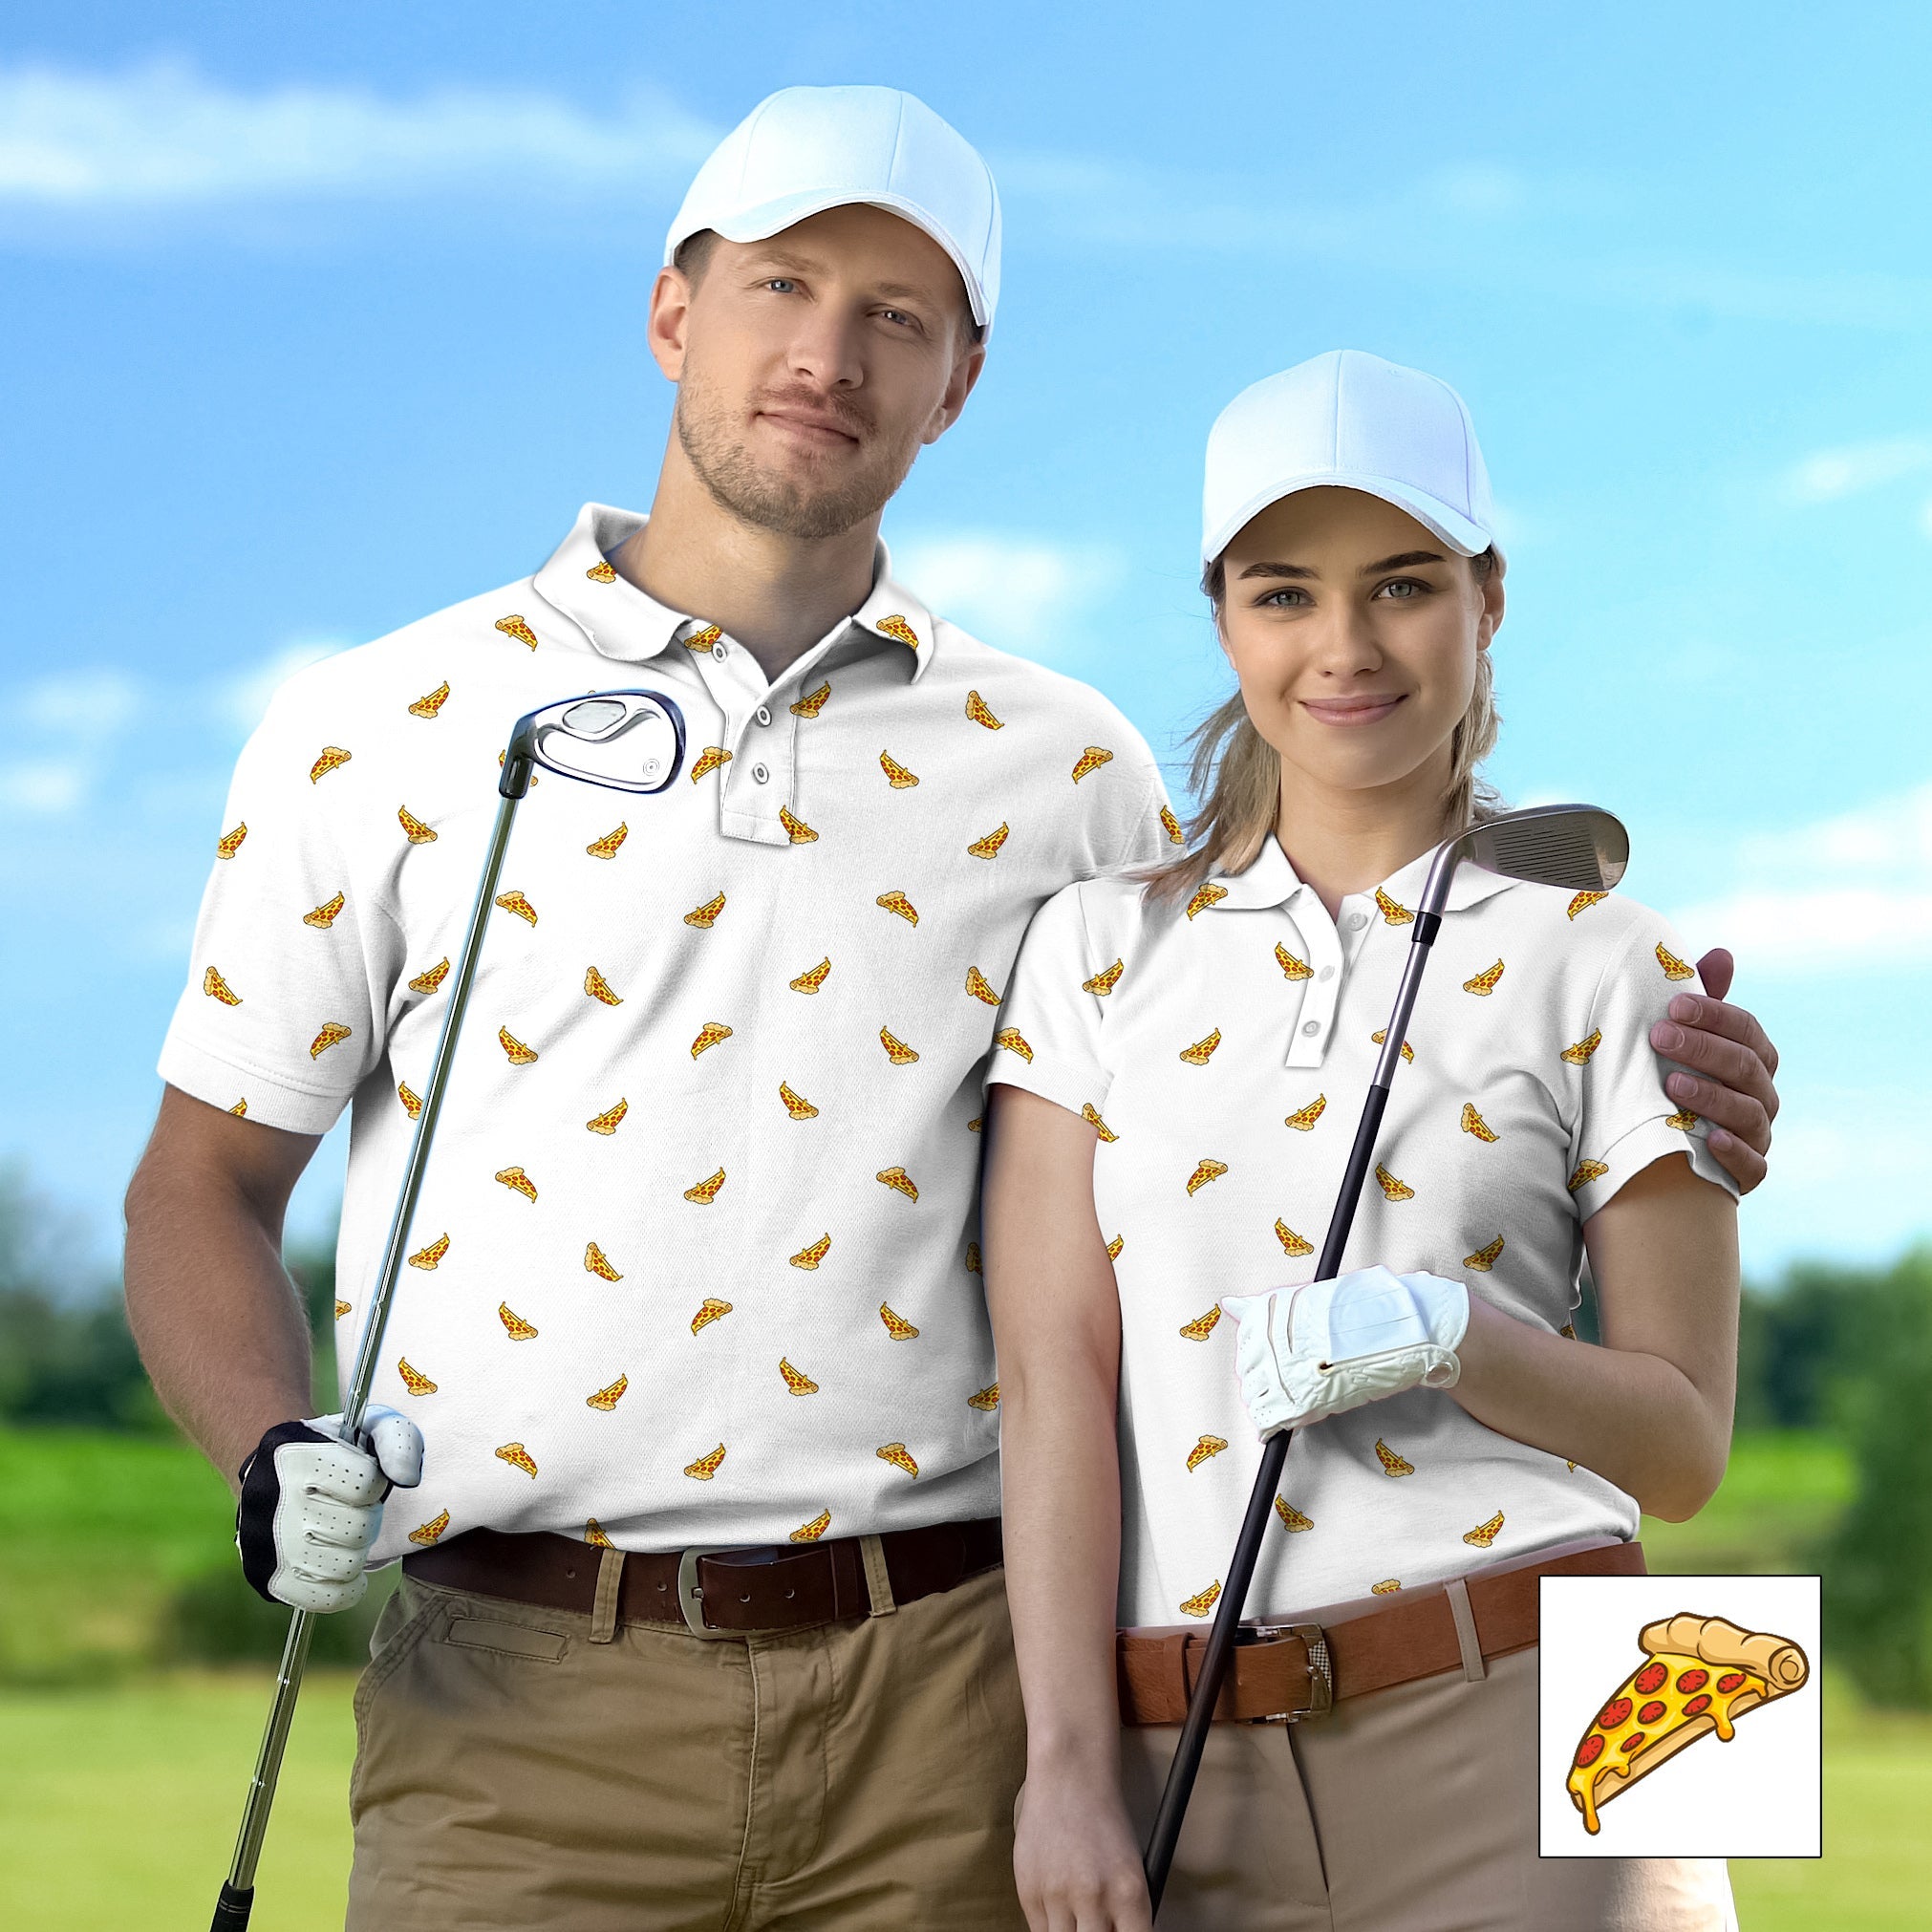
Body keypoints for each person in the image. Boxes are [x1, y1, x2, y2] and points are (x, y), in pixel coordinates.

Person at [119, 82, 1778, 1929]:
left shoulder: (1060, 764)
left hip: (969, 1689)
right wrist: (269, 1456)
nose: (827, 355)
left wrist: (1660, 1062)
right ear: (673, 310)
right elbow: (198, 1186)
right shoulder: (376, 725)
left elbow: (1648, 1397)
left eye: (894, 316)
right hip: (522, 1694)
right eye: (780, 287)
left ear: (960, 378)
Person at [983, 351, 1755, 1930]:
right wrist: (1061, 1762)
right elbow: (1049, 1375)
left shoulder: (1616, 955)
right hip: (1187, 1748)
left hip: (1584, 1690)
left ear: (1485, 600)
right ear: (1220, 617)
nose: (1342, 647)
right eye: (1283, 594)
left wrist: (1444, 1334)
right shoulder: (1087, 949)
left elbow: (1683, 1455)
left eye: (1401, 586)